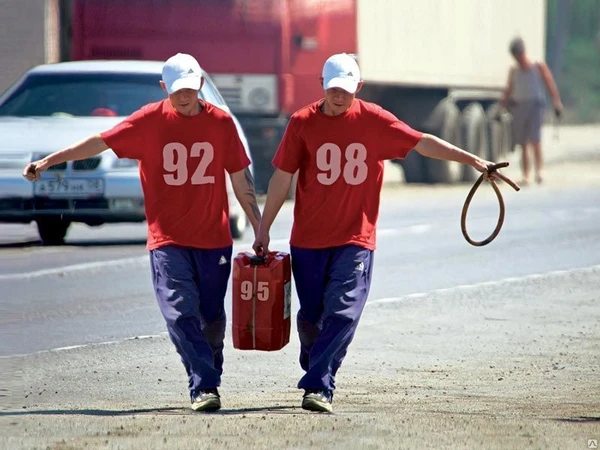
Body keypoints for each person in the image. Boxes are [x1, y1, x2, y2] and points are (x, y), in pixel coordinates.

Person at [252, 53, 501, 413]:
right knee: (311, 318)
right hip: (308, 241)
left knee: (344, 312)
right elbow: (281, 178)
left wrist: (472, 160)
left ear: (359, 88)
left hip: (356, 238)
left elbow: (421, 142)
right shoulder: (302, 122)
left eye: (347, 91)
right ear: (322, 86)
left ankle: (318, 386)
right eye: (334, 89)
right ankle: (317, 359)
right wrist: (264, 226)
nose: (340, 97)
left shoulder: (374, 120)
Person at [23, 53, 261, 412]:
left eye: (191, 89)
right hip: (168, 239)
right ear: (164, 88)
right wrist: (47, 162)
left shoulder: (221, 123)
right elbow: (99, 142)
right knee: (180, 312)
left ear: (200, 83)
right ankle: (203, 384)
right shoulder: (149, 121)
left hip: (214, 240)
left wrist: (258, 227)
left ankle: (208, 370)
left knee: (211, 317)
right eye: (177, 91)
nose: (185, 97)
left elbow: (241, 178)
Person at [500, 36, 563, 185]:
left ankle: (539, 171)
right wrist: (501, 107)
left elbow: (549, 83)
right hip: (519, 106)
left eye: (520, 55)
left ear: (524, 52)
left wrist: (557, 102)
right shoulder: (514, 70)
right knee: (523, 143)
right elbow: (509, 89)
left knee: (535, 140)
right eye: (516, 56)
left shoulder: (537, 65)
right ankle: (526, 175)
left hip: (535, 106)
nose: (519, 59)